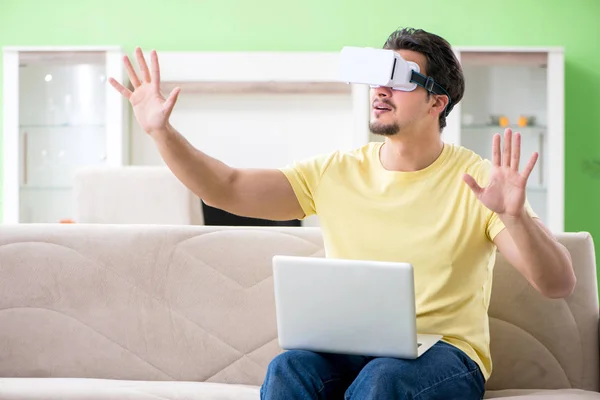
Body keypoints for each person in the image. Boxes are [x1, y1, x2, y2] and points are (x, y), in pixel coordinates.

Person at [109, 27, 576, 400]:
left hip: (445, 357)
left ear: (438, 101)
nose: (381, 89)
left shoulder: (478, 181)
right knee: (290, 367)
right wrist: (161, 133)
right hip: (350, 350)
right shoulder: (335, 171)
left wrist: (515, 217)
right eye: (378, 76)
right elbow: (224, 187)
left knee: (385, 379)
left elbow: (557, 284)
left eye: (399, 78)